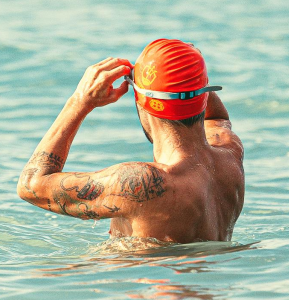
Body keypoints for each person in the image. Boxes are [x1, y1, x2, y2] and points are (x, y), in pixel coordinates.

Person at [16, 38, 244, 243]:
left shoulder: (141, 185)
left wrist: (80, 101)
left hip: (153, 286)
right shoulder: (229, 156)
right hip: (207, 284)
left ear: (141, 100)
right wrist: (190, 71)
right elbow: (217, 117)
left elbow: (30, 185)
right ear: (204, 93)